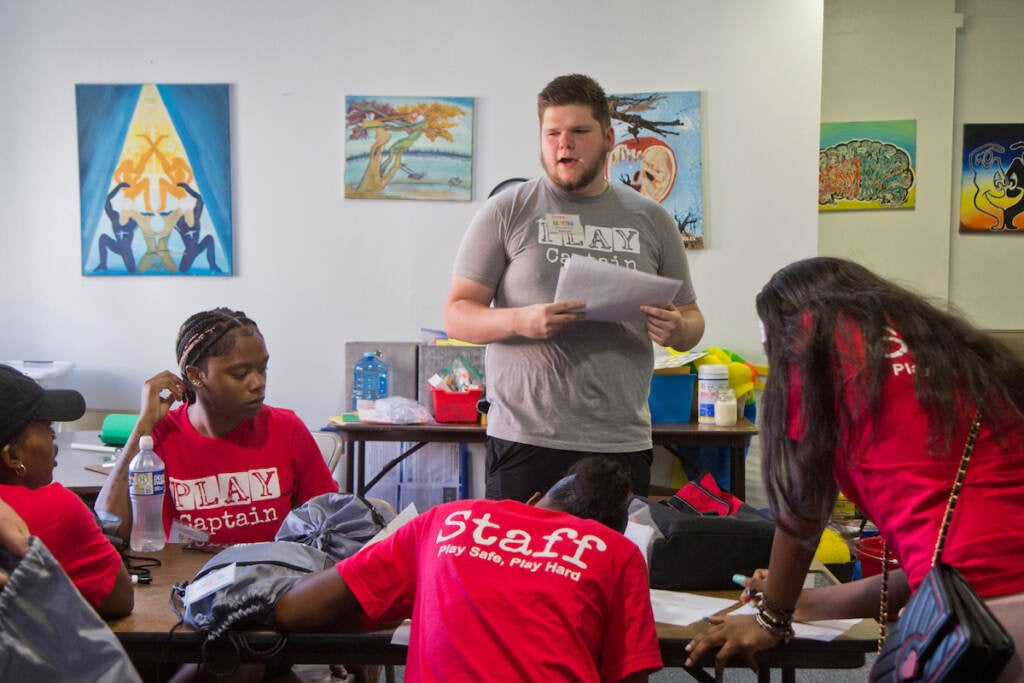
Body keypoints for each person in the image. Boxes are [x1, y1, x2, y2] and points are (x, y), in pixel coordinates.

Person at [685, 257, 1024, 681]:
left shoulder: (814, 340)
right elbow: (942, 569)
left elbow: (803, 511)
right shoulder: (950, 350)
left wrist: (771, 618)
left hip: (988, 628)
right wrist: (800, 602)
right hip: (986, 603)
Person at [444, 73, 705, 502]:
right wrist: (523, 320)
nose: (564, 144)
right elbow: (457, 313)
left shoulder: (652, 219)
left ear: (607, 137)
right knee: (519, 569)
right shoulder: (506, 210)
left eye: (579, 132)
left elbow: (693, 319)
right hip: (526, 437)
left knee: (610, 568)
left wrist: (678, 329)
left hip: (620, 441)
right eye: (553, 133)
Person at [275, 457, 663, 682]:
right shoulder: (617, 553)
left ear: (529, 501)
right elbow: (630, 677)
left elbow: (296, 608)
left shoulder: (448, 519)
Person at [95, 307, 338, 547]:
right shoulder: (162, 437)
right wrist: (144, 424)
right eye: (241, 374)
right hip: (187, 580)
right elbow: (113, 529)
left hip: (274, 577)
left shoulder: (287, 429)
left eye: (263, 368)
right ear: (196, 375)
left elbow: (330, 522)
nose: (258, 383)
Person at [0, 364, 134, 619]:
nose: (55, 439)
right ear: (12, 456)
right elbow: (120, 601)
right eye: (47, 428)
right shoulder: (55, 506)